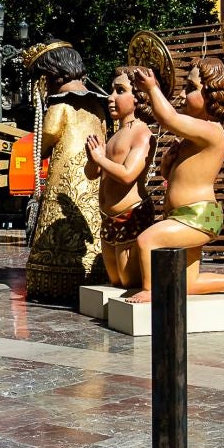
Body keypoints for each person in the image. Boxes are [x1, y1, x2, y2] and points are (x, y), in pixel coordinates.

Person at [123, 59, 224, 303]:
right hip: (184, 214)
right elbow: (175, 178)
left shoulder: (211, 131)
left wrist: (152, 88)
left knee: (148, 240)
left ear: (211, 93)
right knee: (188, 282)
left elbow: (169, 119)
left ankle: (150, 290)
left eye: (190, 88)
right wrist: (168, 165)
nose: (183, 96)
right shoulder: (192, 137)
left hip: (197, 216)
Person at [22, 40, 106, 304]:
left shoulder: (59, 106)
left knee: (59, 222)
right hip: (93, 176)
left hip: (64, 177)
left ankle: (55, 277)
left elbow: (46, 137)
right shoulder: (98, 105)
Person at [84, 65, 156, 290]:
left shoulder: (142, 133)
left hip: (131, 216)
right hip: (108, 219)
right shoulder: (115, 134)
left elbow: (127, 175)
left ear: (138, 97)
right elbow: (92, 174)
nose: (111, 97)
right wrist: (93, 159)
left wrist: (100, 158)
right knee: (115, 281)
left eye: (120, 91)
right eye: (112, 90)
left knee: (128, 280)